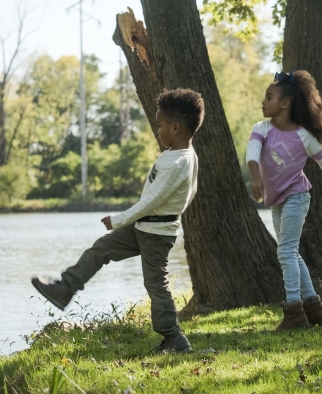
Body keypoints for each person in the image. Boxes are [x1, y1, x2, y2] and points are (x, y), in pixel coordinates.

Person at [32, 88, 205, 353]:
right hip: (146, 227)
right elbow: (188, 193)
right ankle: (65, 288)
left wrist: (119, 219)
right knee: (101, 249)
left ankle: (174, 338)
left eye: (160, 125)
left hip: (156, 233)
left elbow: (152, 201)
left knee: (156, 283)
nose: (158, 130)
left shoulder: (178, 161)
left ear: (176, 127)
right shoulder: (183, 155)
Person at [246, 69, 322, 330]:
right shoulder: (261, 129)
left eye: (269, 97)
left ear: (285, 103)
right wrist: (256, 177)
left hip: (298, 196)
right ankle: (314, 309)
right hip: (276, 199)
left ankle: (294, 311)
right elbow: (252, 153)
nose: (263, 102)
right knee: (291, 252)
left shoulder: (303, 137)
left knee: (285, 251)